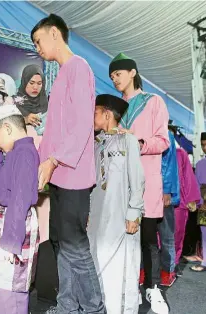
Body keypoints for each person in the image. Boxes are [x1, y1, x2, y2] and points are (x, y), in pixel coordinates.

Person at [31, 14, 106, 314]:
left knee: (75, 247)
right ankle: (67, 305)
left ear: (53, 33)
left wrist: (51, 161)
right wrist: (40, 165)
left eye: (38, 41)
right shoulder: (62, 73)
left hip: (73, 175)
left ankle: (94, 308)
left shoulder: (79, 67)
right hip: (58, 175)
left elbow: (80, 127)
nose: (37, 48)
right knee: (61, 243)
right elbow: (54, 132)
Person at [109, 52, 169, 314]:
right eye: (111, 76)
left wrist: (138, 142)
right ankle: (127, 285)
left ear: (132, 72)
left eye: (118, 74)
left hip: (145, 182)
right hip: (120, 183)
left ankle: (153, 289)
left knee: (147, 238)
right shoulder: (114, 107)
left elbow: (163, 141)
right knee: (122, 237)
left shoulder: (153, 102)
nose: (114, 79)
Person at [0, 105, 40, 314]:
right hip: (6, 222)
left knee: (10, 290)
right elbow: (3, 177)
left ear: (8, 128)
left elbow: (20, 200)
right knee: (0, 284)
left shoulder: (25, 153)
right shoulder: (15, 151)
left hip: (14, 225)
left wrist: (12, 241)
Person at [88, 94, 144, 314]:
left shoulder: (128, 141)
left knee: (122, 268)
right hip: (98, 217)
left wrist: (134, 212)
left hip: (121, 216)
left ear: (107, 114)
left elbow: (137, 179)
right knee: (99, 264)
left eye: (95, 112)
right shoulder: (95, 143)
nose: (92, 117)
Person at [157, 123, 180, 287]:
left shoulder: (166, 135)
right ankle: (142, 271)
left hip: (163, 194)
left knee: (166, 236)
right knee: (145, 237)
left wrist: (166, 191)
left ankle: (168, 272)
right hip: (144, 192)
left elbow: (170, 165)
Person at [174, 147, 200, 275]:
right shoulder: (151, 150)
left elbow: (188, 176)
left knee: (177, 234)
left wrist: (191, 199)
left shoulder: (180, 153)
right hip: (156, 201)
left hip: (179, 201)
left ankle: (172, 265)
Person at [14, 64, 48, 136]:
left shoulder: (49, 103)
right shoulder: (12, 102)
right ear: (24, 82)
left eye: (39, 83)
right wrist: (25, 120)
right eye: (31, 83)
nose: (35, 87)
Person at [191, 132, 206, 272]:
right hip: (203, 202)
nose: (204, 147)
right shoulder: (200, 164)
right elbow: (196, 185)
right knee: (204, 232)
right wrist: (198, 202)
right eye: (203, 145)